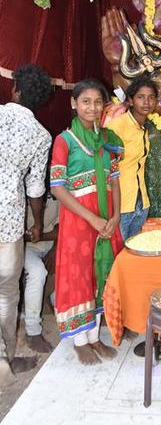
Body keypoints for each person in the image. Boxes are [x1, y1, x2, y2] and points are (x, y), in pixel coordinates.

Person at [50, 79, 124, 366]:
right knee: (78, 276)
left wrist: (115, 216)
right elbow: (58, 187)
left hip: (106, 222)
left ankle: (94, 337)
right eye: (85, 101)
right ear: (73, 103)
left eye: (97, 102)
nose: (92, 107)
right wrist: (93, 218)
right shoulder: (65, 141)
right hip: (79, 222)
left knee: (99, 276)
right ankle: (79, 341)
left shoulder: (108, 140)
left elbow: (114, 181)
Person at [0, 64, 52, 387]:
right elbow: (36, 190)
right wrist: (35, 223)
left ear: (15, 88)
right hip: (9, 217)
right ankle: (4, 360)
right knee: (6, 291)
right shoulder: (41, 135)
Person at [105, 76, 157, 241]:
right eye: (141, 97)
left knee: (133, 255)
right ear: (131, 100)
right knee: (117, 256)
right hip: (120, 205)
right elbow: (104, 165)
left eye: (151, 97)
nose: (146, 102)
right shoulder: (117, 126)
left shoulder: (144, 129)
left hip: (141, 204)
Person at [23, 194, 59, 353]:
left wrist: (55, 248)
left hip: (51, 243)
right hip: (24, 247)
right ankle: (33, 331)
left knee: (74, 260)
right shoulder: (17, 190)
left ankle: (56, 300)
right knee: (38, 272)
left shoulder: (56, 187)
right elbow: (17, 237)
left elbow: (63, 226)